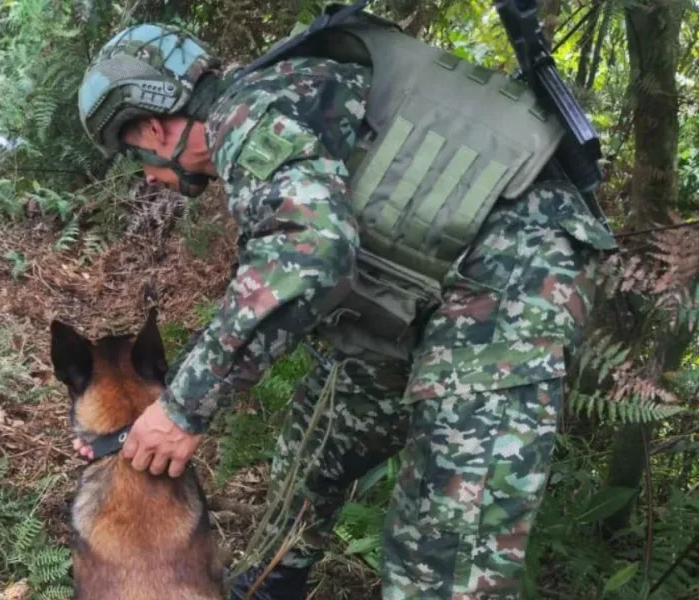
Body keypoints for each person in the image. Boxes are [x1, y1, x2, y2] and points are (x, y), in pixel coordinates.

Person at [72, 5, 618, 600]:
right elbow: (287, 273)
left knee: (443, 553)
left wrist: (181, 409)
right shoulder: (274, 103)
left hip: (514, 285)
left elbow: (310, 250)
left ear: (154, 129)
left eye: (134, 156)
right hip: (434, 282)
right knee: (319, 435)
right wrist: (141, 425)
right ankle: (265, 587)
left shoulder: (249, 117)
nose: (146, 176)